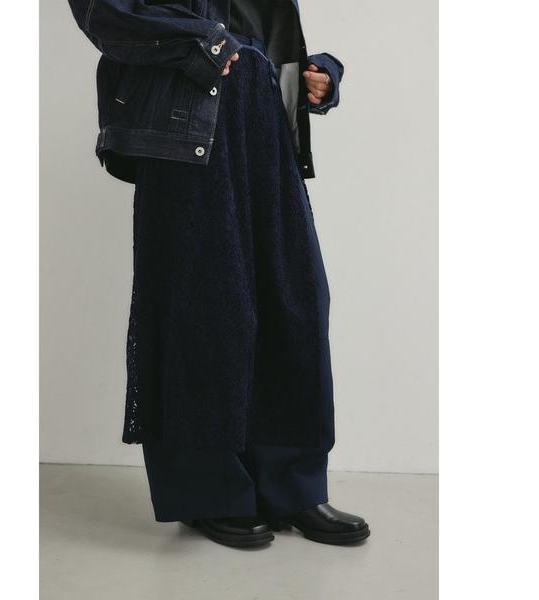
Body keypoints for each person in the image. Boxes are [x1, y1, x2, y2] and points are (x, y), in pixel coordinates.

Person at [68, 0, 370, 548]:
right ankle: (209, 491)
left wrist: (313, 76)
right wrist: (205, 43)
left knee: (295, 302)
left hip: (265, 121)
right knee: (204, 306)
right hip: (185, 121)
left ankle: (291, 486)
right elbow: (101, 10)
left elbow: (262, 32)